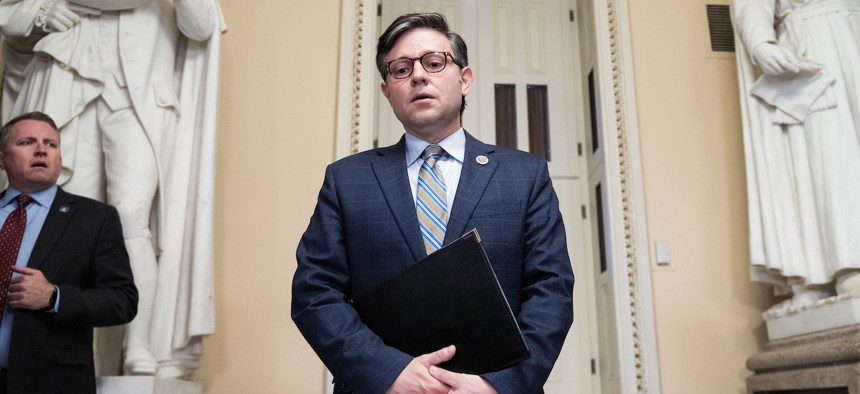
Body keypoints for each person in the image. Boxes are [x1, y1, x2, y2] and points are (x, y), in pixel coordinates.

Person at [292, 12, 575, 393]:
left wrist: (498, 386)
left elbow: (551, 290)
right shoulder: (346, 179)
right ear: (387, 91)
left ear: (465, 79)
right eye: (401, 68)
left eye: (434, 63)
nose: (418, 76)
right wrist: (387, 373)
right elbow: (315, 292)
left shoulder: (525, 175)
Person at [0, 0, 224, 377]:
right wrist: (41, 12)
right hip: (70, 79)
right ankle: (65, 350)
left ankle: (139, 343)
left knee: (132, 217)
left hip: (138, 98)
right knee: (66, 225)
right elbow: (7, 12)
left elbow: (202, 24)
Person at [733, 0, 860, 314]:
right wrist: (760, 41)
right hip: (814, 50)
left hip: (853, 36)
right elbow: (751, 5)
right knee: (829, 159)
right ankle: (843, 268)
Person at [0, 111, 137, 393]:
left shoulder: (94, 219)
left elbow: (122, 300)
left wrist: (54, 297)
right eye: (27, 142)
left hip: (51, 382)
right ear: (2, 159)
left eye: (50, 144)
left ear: (59, 160)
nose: (41, 149)